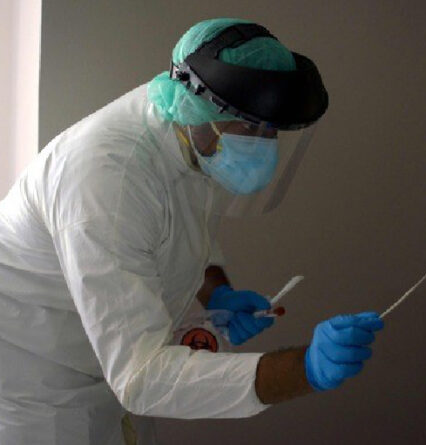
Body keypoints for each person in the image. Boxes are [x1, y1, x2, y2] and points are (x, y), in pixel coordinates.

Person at [0, 18, 384, 445]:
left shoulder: (188, 131)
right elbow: (142, 378)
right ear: (202, 106)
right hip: (38, 387)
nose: (265, 143)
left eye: (273, 130)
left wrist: (215, 292)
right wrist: (303, 369)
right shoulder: (107, 178)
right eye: (253, 127)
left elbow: (175, 223)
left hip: (105, 363)